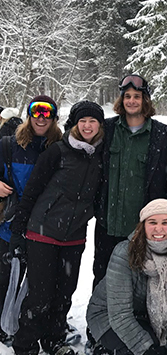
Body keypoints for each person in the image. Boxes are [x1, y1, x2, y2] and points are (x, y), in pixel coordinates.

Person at [8, 100, 104, 355]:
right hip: (43, 233)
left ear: (100, 126)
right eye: (82, 120)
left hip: (74, 237)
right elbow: (31, 192)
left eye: (93, 121)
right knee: (39, 297)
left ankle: (54, 339)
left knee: (64, 295)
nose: (87, 126)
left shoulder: (100, 156)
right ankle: (25, 344)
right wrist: (18, 232)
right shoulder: (58, 152)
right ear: (74, 123)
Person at [89, 74, 167, 352]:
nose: (132, 101)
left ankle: (137, 331)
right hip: (107, 223)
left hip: (141, 229)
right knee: (102, 278)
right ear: (121, 100)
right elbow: (76, 142)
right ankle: (99, 332)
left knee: (139, 282)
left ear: (144, 100)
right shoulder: (108, 130)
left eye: (137, 96)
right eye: (127, 96)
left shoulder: (161, 134)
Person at [86, 198, 167, 355]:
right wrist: (147, 350)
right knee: (149, 343)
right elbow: (120, 314)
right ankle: (105, 349)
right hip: (109, 316)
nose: (158, 229)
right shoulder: (124, 254)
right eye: (152, 222)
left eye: (165, 223)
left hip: (157, 318)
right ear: (143, 226)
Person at [0, 95, 62, 346]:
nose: (41, 118)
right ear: (28, 115)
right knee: (5, 276)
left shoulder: (60, 146)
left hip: (45, 226)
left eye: (47, 113)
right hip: (10, 223)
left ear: (55, 118)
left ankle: (32, 324)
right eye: (36, 112)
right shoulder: (8, 144)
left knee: (39, 282)